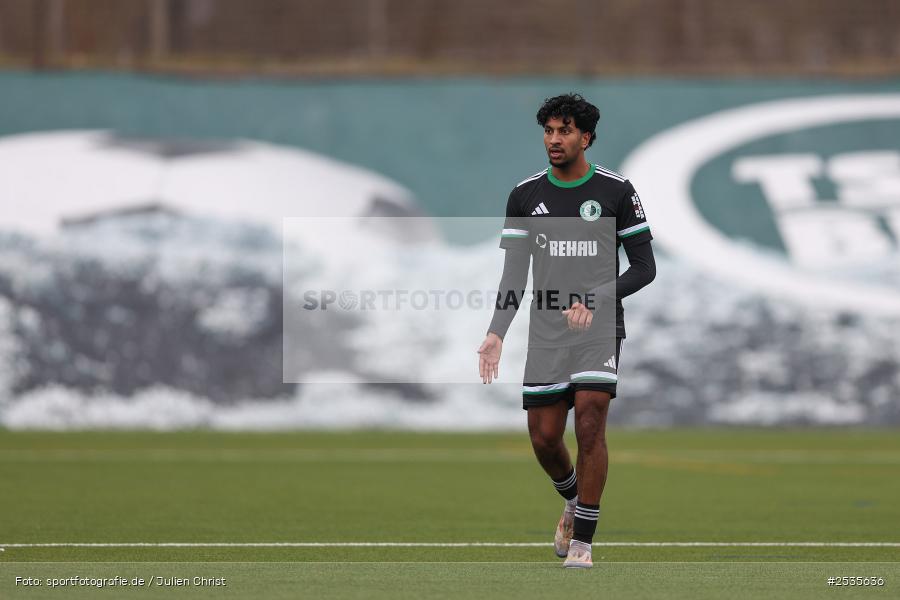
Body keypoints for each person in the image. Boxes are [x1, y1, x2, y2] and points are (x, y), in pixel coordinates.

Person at [477, 93, 656, 568]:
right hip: (547, 331)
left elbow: (644, 268)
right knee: (545, 438)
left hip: (599, 329)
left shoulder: (617, 191)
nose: (554, 140)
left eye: (564, 132)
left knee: (591, 424)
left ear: (586, 137)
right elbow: (514, 274)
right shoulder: (525, 195)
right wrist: (496, 332)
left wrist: (596, 299)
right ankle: (572, 501)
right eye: (549, 131)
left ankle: (583, 545)